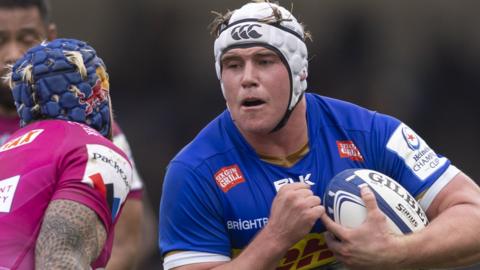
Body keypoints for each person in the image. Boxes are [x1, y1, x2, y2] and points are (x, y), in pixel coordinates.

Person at [158, 1, 480, 269]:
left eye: (264, 60)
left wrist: (396, 252)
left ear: (300, 72)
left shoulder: (371, 133)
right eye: (233, 65)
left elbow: (473, 217)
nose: (247, 78)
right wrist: (275, 238)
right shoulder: (193, 172)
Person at [0, 1, 155, 268]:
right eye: (0, 40)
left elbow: (130, 240)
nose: (11, 54)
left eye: (26, 39)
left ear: (49, 37)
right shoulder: (95, 145)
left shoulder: (102, 136)